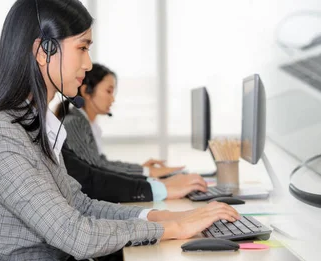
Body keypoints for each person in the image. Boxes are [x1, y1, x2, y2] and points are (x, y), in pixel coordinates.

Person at [0, 0, 239, 260]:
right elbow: (75, 234)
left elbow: (81, 206)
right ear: (43, 51)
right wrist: (173, 226)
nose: (88, 64)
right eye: (82, 48)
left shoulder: (37, 126)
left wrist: (161, 216)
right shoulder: (0, 134)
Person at [55, 63, 207, 201]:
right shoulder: (75, 123)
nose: (112, 99)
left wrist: (145, 172)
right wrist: (149, 174)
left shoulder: (88, 124)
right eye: (109, 91)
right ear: (86, 91)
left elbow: (102, 164)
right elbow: (97, 168)